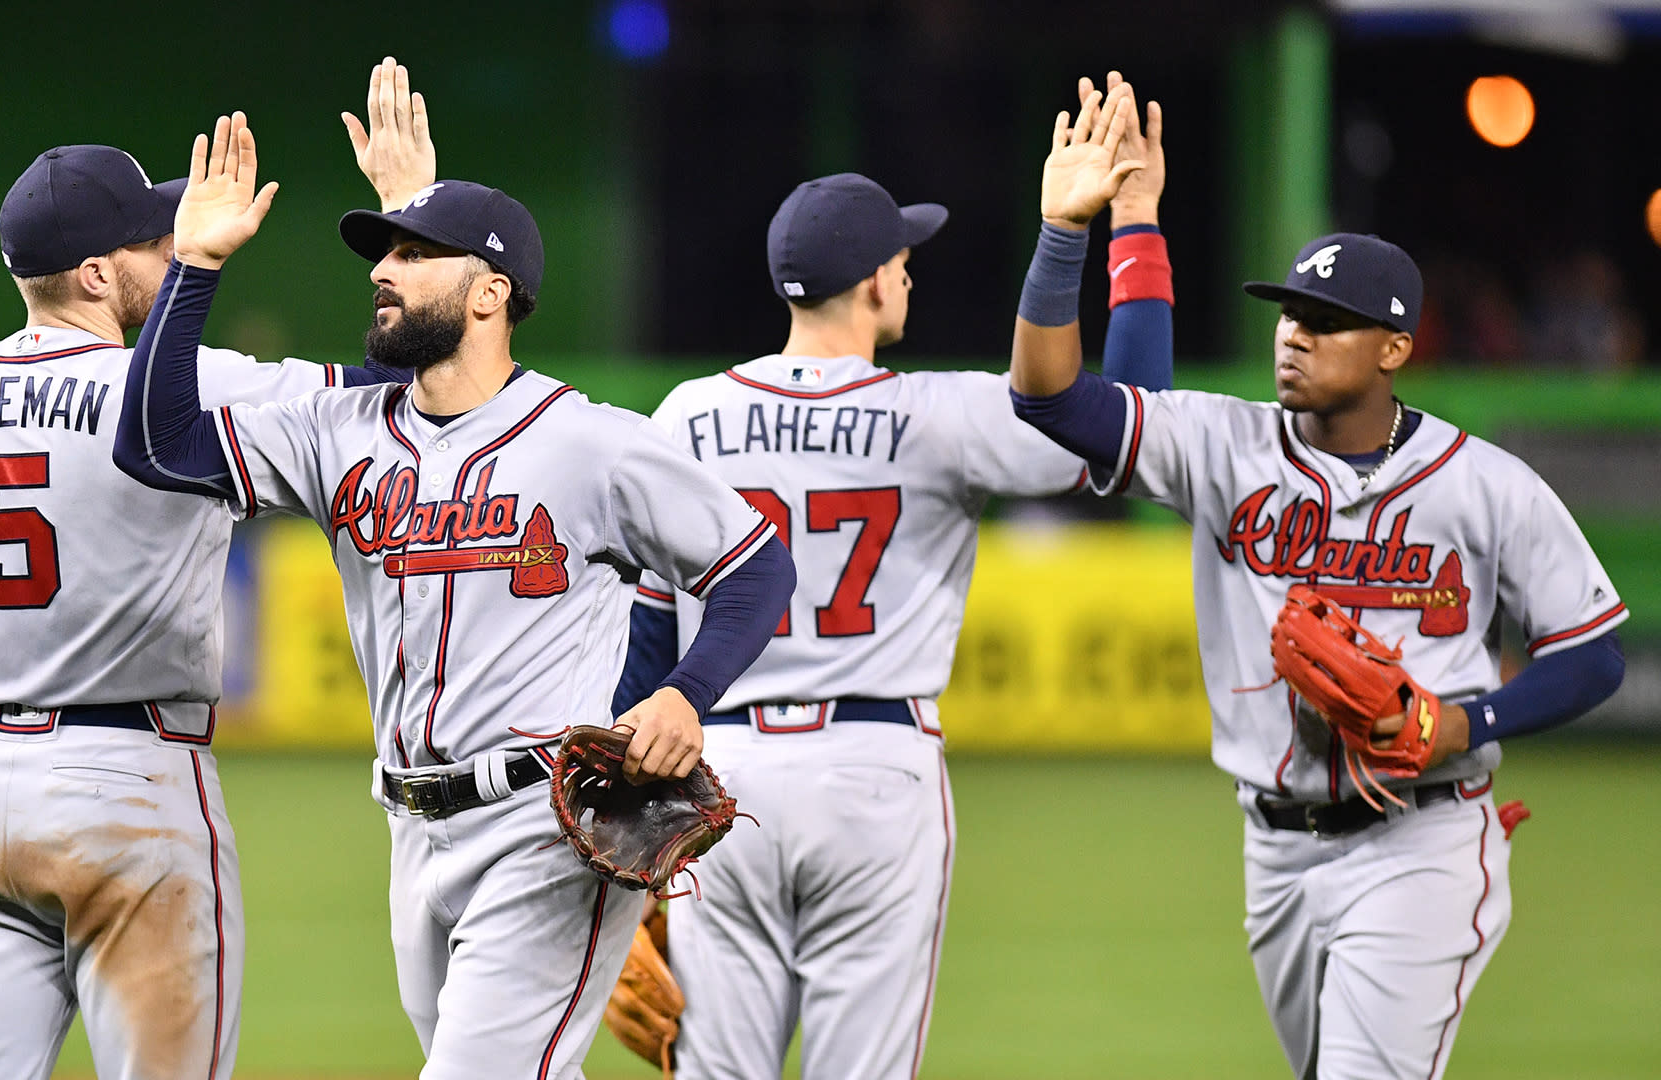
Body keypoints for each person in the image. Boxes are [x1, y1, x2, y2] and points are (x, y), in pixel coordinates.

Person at [111, 101, 795, 1078]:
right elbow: (155, 444)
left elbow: (754, 564)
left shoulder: (588, 441)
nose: (383, 270)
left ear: (491, 294)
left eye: (414, 253)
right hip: (409, 830)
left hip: (544, 828)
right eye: (381, 251)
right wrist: (196, 268)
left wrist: (688, 692)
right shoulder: (336, 427)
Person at [1008, 80, 1628, 1079]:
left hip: (1422, 841)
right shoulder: (1228, 446)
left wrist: (1468, 723)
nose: (1294, 333)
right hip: (1276, 850)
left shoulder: (1484, 485)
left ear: (1394, 348)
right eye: (1290, 312)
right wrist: (1102, 227)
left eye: (1326, 320)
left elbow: (1591, 657)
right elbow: (1057, 402)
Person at [0, 65, 430, 1075]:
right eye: (149, 242)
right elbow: (404, 393)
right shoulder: (189, 383)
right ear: (92, 273)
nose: (171, 253)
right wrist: (406, 221)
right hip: (135, 787)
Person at [610, 75, 1173, 1079]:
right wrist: (1129, 224)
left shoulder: (685, 415)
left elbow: (647, 636)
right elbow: (1131, 420)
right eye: (903, 261)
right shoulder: (935, 414)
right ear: (872, 282)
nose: (908, 278)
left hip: (718, 776)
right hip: (874, 771)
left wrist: (627, 832)